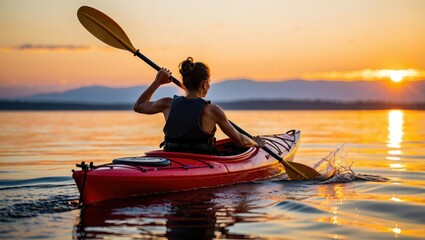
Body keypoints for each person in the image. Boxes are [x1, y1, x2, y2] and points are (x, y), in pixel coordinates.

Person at [133, 57, 264, 155]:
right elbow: (241, 140)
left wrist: (157, 82)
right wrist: (255, 143)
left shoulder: (167, 104)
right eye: (209, 83)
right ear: (204, 84)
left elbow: (139, 106)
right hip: (202, 161)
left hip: (172, 157)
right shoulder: (212, 110)